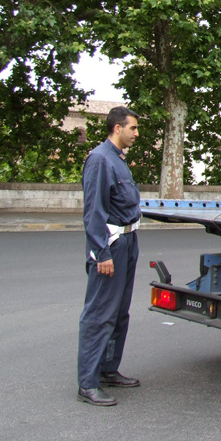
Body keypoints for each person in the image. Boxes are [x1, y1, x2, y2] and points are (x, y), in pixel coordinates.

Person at [77, 106, 143, 407]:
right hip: (111, 246)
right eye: (133, 128)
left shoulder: (117, 160)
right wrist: (101, 251)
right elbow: (93, 213)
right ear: (117, 128)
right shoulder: (100, 160)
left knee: (119, 313)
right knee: (100, 314)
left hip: (128, 242)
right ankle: (88, 383)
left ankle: (107, 369)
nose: (136, 134)